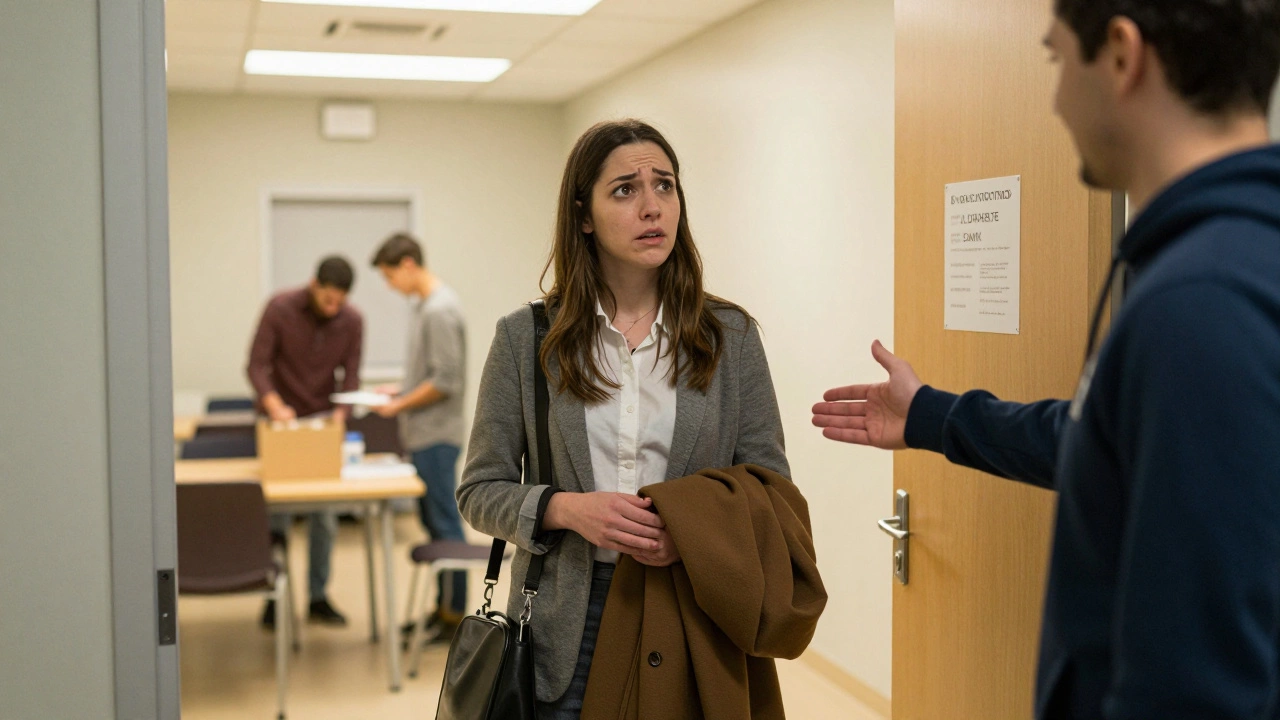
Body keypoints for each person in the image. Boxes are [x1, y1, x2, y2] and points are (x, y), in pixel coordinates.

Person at [812, 1, 1280, 717]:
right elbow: (1105, 443)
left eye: (1059, 60)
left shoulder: (1198, 302)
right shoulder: (1224, 263)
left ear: (1122, 56)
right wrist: (933, 416)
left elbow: (1198, 685)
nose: (1057, 101)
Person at [456, 119, 790, 718]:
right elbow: (479, 491)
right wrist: (566, 510)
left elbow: (770, 485)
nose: (651, 207)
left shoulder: (730, 337)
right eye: (624, 190)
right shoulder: (525, 339)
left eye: (665, 186)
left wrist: (692, 529)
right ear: (583, 215)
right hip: (566, 626)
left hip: (693, 611)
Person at [247, 255, 363, 628]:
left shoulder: (353, 320)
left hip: (321, 422)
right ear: (314, 285)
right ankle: (273, 597)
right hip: (280, 420)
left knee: (325, 517)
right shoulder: (280, 308)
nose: (333, 308)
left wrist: (341, 416)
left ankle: (317, 597)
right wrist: (274, 404)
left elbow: (352, 377)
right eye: (328, 299)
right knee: (277, 514)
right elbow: (256, 365)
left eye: (339, 301)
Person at [369, 233, 470, 643]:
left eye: (390, 276)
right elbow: (428, 374)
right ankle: (442, 610)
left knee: (445, 523)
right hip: (424, 434)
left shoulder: (439, 311)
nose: (390, 285)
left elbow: (447, 380)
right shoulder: (426, 308)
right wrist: (399, 389)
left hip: (436, 437)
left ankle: (455, 618)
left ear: (408, 264)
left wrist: (399, 406)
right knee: (433, 524)